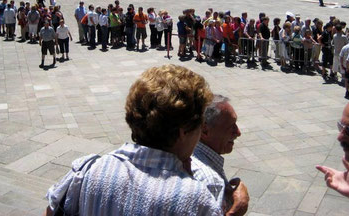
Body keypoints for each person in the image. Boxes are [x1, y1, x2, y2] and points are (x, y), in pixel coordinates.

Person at [43, 65, 249, 216]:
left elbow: (51, 212)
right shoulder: (194, 198)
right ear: (183, 131)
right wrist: (236, 211)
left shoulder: (88, 169)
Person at [191, 95, 246, 213]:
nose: (238, 132)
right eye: (231, 127)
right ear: (205, 130)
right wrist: (238, 208)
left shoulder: (192, 152)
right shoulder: (210, 180)